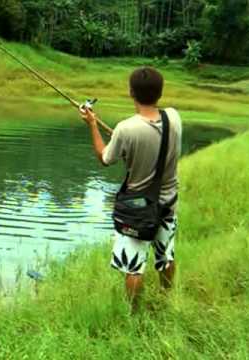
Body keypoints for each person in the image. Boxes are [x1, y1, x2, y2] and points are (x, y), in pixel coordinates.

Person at [80, 67, 182, 310]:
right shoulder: (174, 117)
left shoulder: (127, 128)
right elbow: (153, 138)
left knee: (135, 268)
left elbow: (104, 159)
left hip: (139, 208)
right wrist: (123, 140)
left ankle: (133, 315)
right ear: (160, 92)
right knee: (166, 255)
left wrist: (92, 124)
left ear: (131, 92)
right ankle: (166, 300)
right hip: (168, 202)